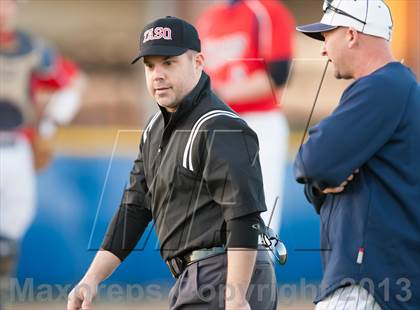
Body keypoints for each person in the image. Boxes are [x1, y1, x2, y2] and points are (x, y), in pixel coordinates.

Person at [67, 16, 277, 310]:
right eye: (150, 66)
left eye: (169, 62)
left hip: (225, 274)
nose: (157, 74)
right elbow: (135, 208)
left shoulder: (219, 126)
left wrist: (237, 297)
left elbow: (244, 216)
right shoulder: (155, 129)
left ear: (198, 62)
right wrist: (91, 278)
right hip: (196, 278)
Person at [294, 0, 420, 309]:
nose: (323, 50)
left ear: (351, 35)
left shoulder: (384, 85)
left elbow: (311, 161)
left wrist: (319, 178)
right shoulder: (398, 87)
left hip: (369, 281)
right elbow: (317, 175)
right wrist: (321, 182)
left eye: (327, 36)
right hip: (390, 279)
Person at [0, 0, 82, 308]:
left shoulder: (31, 48)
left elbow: (73, 83)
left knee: (9, 235)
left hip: (17, 145)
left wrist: (49, 126)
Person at [196, 0, 295, 235]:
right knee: (213, 217)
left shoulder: (267, 10)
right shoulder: (208, 18)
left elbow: (277, 79)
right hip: (216, 124)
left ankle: (258, 270)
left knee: (260, 215)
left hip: (259, 122)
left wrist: (219, 93)